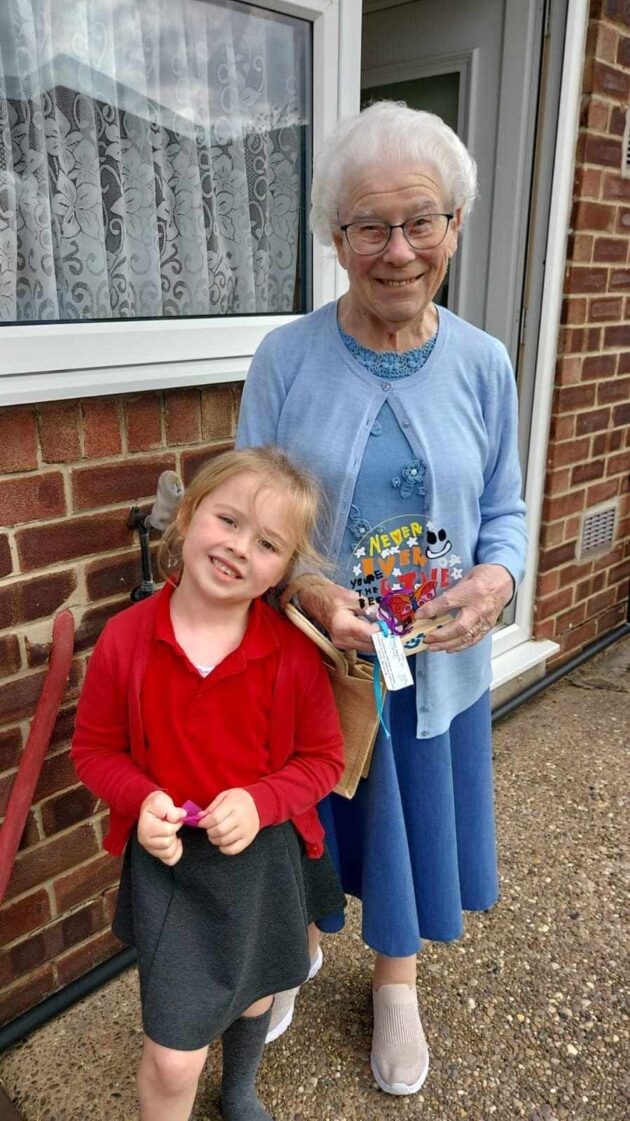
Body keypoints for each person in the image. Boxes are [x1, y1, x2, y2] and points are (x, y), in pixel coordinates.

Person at [236, 100, 528, 1096]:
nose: (398, 248)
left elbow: (507, 513)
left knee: (401, 830)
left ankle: (395, 983)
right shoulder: (285, 357)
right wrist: (309, 586)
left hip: (430, 667)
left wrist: (496, 579)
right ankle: (300, 950)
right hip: (312, 657)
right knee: (300, 819)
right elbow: (247, 512)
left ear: (457, 225)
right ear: (336, 237)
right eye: (371, 224)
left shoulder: (486, 364)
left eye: (423, 220)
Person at [71, 447, 346, 1121]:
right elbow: (94, 749)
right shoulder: (126, 640)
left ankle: (239, 1088)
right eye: (227, 520)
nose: (238, 548)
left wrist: (259, 800)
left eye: (267, 542)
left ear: (285, 569)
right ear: (189, 516)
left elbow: (323, 758)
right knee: (172, 1054)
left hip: (258, 858)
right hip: (171, 866)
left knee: (254, 990)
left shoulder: (290, 654)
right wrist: (140, 799)